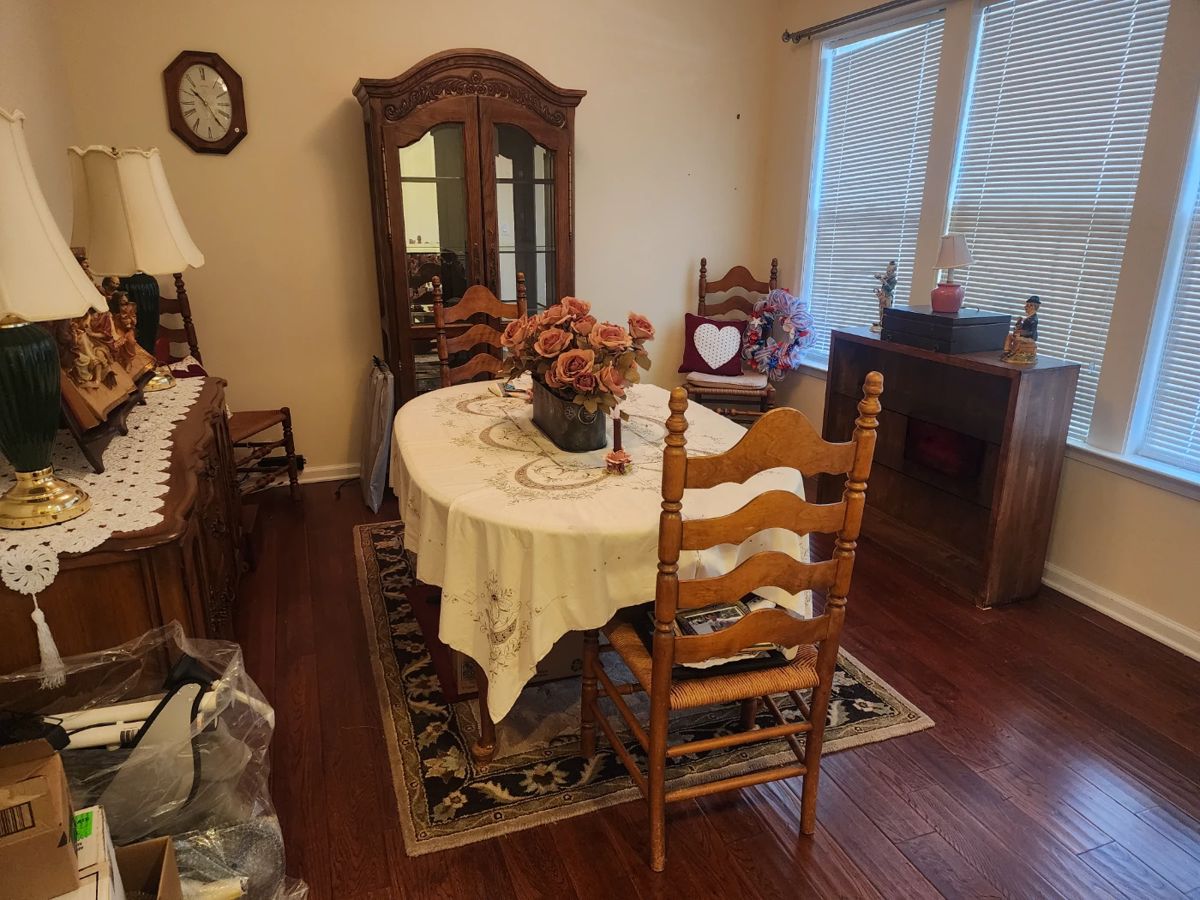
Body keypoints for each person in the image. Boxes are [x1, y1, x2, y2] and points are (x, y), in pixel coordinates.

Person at [1002, 295, 1041, 364]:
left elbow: (1031, 332)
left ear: (1032, 307)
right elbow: (1021, 327)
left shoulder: (1033, 320)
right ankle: (1007, 351)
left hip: (1030, 338)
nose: (1025, 307)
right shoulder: (1028, 318)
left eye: (1027, 306)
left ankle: (1013, 353)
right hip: (1024, 335)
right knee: (1010, 335)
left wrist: (1020, 333)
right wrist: (1018, 323)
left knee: (1017, 339)